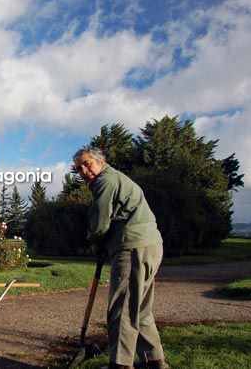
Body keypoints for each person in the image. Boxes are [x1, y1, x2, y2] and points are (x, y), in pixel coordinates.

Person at [73, 146, 168, 369]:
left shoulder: (105, 181)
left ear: (101, 160)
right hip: (150, 245)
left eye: (87, 164)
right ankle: (153, 360)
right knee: (140, 309)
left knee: (122, 309)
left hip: (133, 246)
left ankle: (121, 364)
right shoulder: (116, 178)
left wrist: (96, 242)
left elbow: (100, 222)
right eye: (79, 168)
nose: (84, 171)